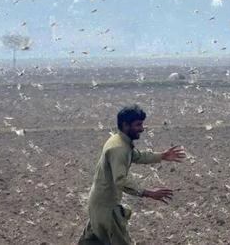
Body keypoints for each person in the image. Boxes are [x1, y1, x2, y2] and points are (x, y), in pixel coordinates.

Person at [78, 104, 186, 245]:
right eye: (138, 125)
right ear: (125, 125)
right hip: (107, 210)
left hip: (98, 206)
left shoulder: (119, 141)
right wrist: (148, 193)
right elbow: (121, 180)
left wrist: (162, 156)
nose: (142, 129)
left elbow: (137, 156)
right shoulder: (119, 148)